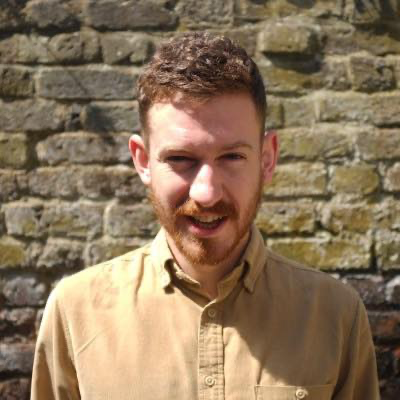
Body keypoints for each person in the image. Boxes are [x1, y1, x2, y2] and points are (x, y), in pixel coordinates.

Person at [31, 32, 380, 399]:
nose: (206, 193)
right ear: (142, 161)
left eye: (232, 157)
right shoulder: (74, 312)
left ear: (267, 159)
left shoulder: (336, 316)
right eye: (181, 159)